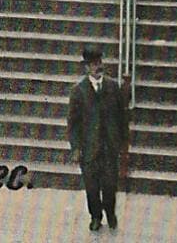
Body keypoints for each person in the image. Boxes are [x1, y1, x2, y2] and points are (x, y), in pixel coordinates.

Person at [67, 45, 128, 232]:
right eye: (93, 64)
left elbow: (122, 117)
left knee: (110, 185)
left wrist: (123, 144)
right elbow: (73, 123)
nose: (97, 67)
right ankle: (95, 216)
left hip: (110, 147)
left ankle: (110, 213)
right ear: (86, 67)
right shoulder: (78, 91)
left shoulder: (112, 87)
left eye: (99, 63)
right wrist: (76, 148)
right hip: (89, 148)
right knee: (92, 187)